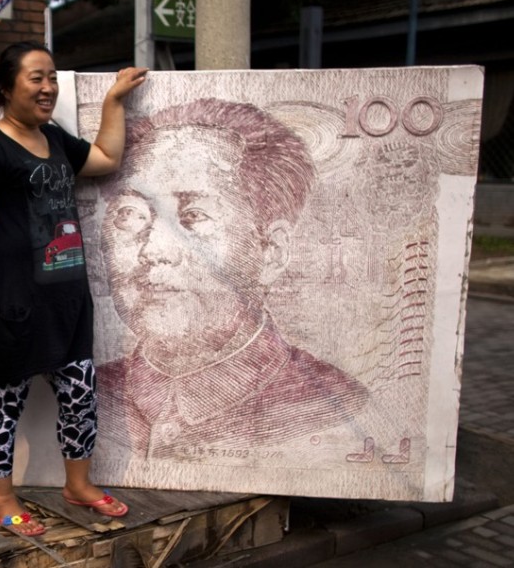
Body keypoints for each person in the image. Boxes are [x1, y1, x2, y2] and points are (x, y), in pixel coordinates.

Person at [96, 98, 369, 457]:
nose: (153, 251)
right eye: (130, 215)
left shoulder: (335, 408)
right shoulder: (93, 394)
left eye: (193, 216)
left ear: (271, 251)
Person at [0, 41, 147, 536]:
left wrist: (113, 102)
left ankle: (78, 486)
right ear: (5, 87)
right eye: (36, 77)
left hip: (66, 300)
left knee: (79, 396)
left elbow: (104, 158)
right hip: (11, 305)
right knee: (2, 406)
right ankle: (0, 501)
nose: (48, 88)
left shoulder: (56, 139)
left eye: (53, 78)